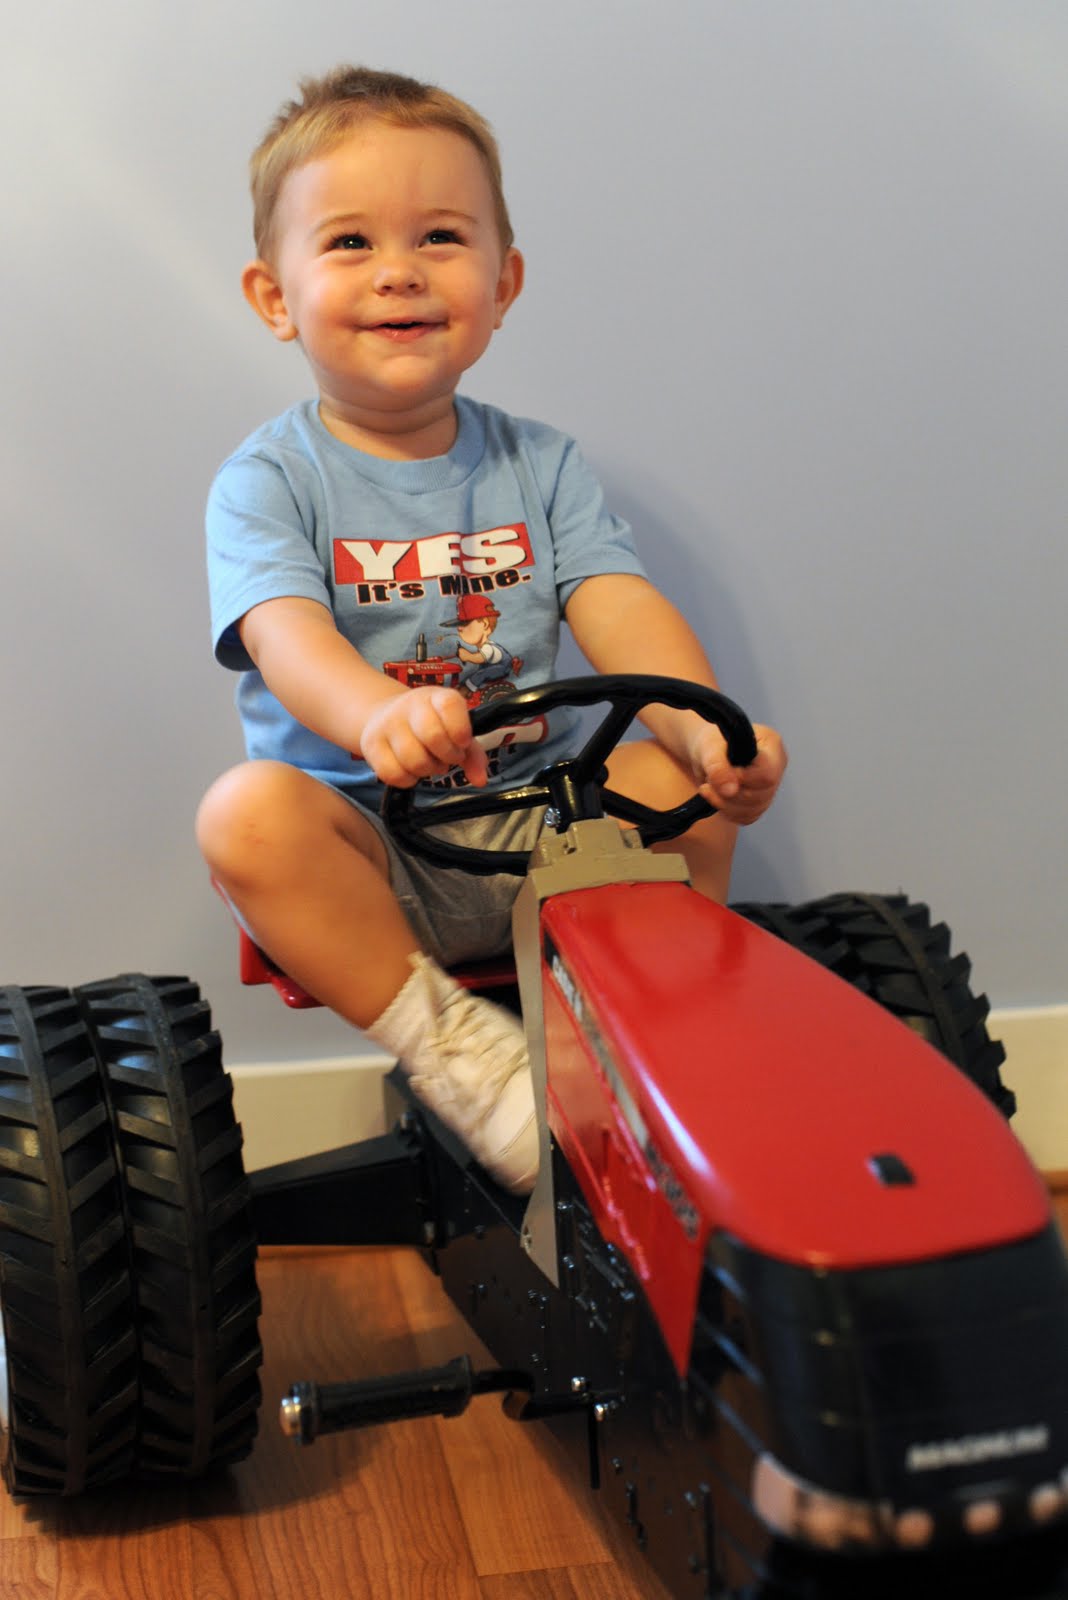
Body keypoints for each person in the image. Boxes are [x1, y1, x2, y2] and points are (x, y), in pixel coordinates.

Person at [197, 65, 787, 1198]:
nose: (400, 270)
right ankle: (460, 1054)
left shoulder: (540, 464)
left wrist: (707, 731)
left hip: (549, 825)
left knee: (681, 775)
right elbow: (283, 633)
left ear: (503, 282)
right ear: (275, 298)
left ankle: (629, 1036)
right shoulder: (269, 480)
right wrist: (376, 714)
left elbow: (619, 605)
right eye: (351, 242)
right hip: (376, 850)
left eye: (441, 236)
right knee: (246, 814)